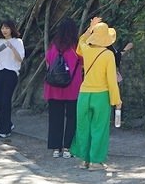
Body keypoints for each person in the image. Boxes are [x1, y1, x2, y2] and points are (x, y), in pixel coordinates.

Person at [73, 17, 122, 170]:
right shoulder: (108, 55)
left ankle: (84, 160)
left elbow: (80, 43)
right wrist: (117, 100)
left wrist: (89, 28)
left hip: (84, 94)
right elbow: (111, 80)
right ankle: (95, 161)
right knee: (99, 128)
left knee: (83, 127)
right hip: (101, 95)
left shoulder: (86, 50)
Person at [45, 17, 83, 158]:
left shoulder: (53, 45)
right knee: (72, 117)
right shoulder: (76, 47)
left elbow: (48, 62)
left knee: (55, 118)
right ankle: (67, 147)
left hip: (53, 87)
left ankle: (56, 148)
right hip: (72, 87)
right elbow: (83, 62)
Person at [0, 19, 25, 138]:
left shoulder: (18, 41)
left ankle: (4, 129)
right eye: (3, 28)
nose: (4, 30)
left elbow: (20, 59)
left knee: (5, 100)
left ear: (12, 29)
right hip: (0, 72)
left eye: (7, 28)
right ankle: (8, 123)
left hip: (11, 73)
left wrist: (12, 47)